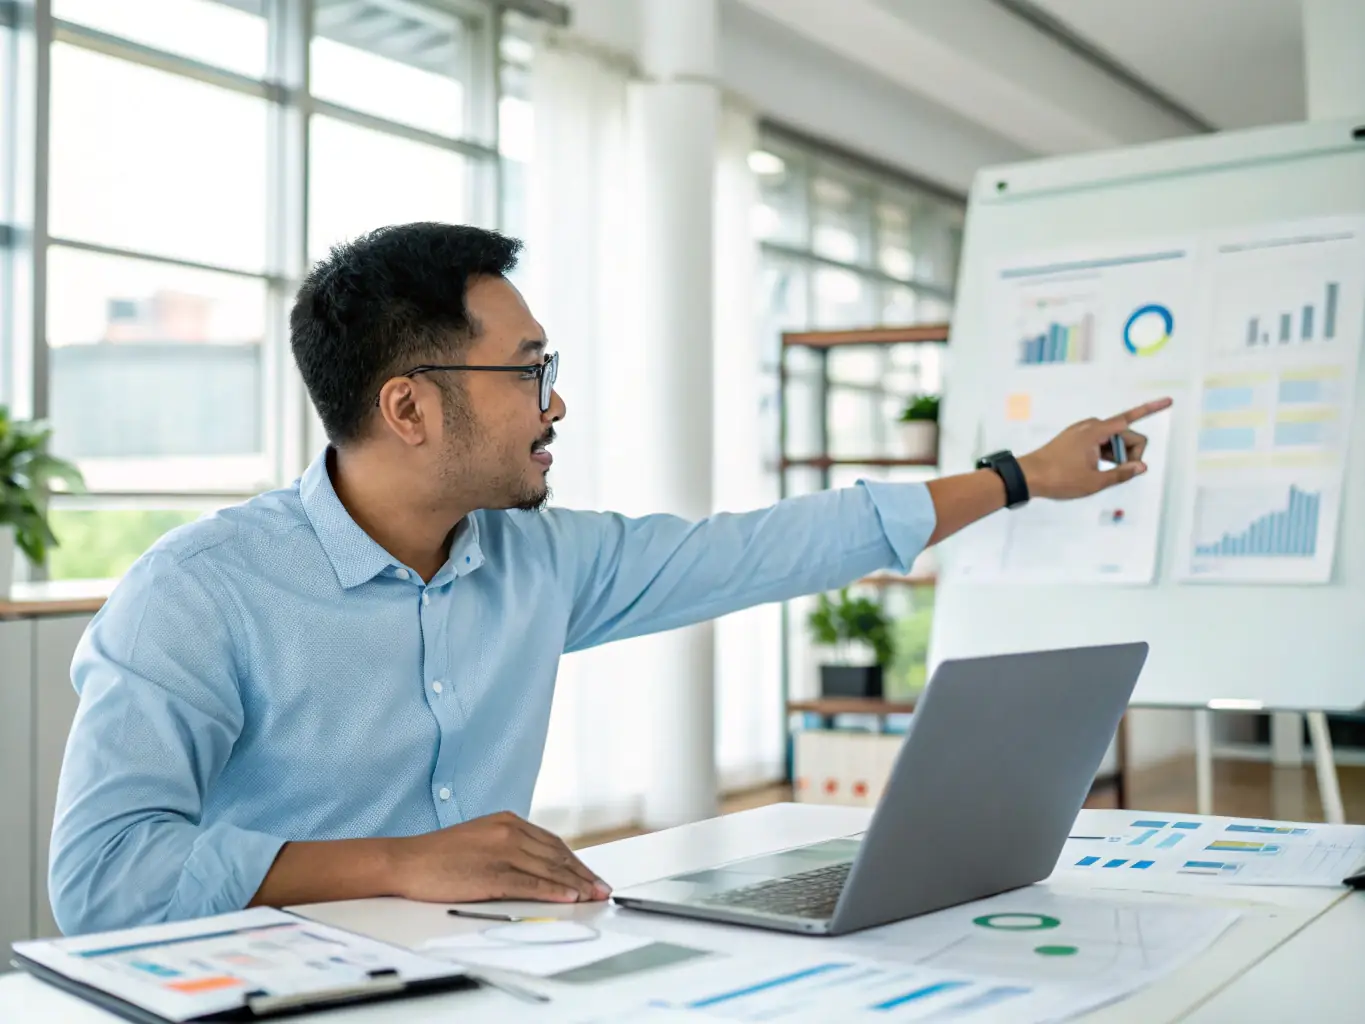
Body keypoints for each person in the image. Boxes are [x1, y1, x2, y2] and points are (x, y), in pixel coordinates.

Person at [49, 223, 1169, 935]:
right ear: (409, 406)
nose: (556, 404)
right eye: (528, 372)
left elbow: (766, 546)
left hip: (491, 976)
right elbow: (101, 878)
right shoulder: (197, 593)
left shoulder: (540, 559)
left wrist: (1018, 478)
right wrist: (397, 863)